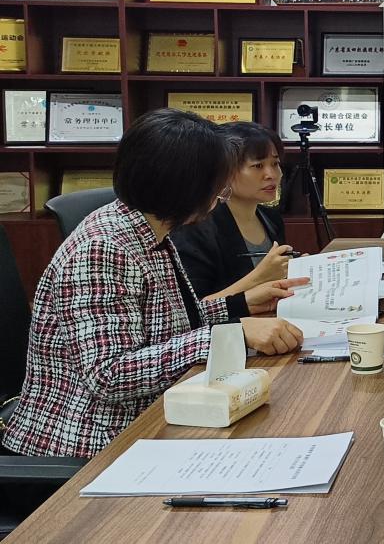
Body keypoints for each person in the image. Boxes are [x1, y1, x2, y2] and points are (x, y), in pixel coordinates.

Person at [2, 109, 306, 459]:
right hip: (87, 444)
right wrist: (232, 334)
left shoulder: (148, 228)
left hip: (150, 417)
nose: (221, 195)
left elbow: (165, 322)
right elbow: (108, 375)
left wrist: (240, 305)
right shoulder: (102, 249)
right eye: (217, 184)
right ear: (185, 185)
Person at [173, 121, 294, 301]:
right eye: (258, 166)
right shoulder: (196, 226)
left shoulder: (271, 218)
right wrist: (260, 276)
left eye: (275, 163)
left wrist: (295, 270)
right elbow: (192, 307)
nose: (271, 175)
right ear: (224, 170)